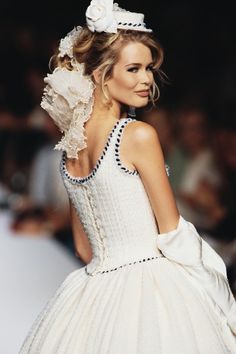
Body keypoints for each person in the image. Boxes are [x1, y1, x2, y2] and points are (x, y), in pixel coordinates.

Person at [20, 1, 236, 353]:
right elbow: (172, 232)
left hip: (91, 293)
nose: (147, 79)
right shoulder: (136, 135)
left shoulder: (71, 147)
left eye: (148, 68)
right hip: (153, 284)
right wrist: (219, 295)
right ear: (101, 75)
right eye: (133, 69)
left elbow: (82, 247)